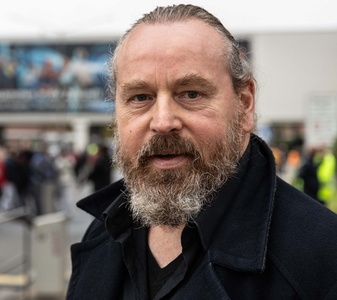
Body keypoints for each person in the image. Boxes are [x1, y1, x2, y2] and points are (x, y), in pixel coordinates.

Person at [67, 5, 337, 300]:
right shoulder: (101, 233)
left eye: (191, 94)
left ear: (245, 104)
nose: (163, 122)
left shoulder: (323, 258)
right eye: (140, 97)